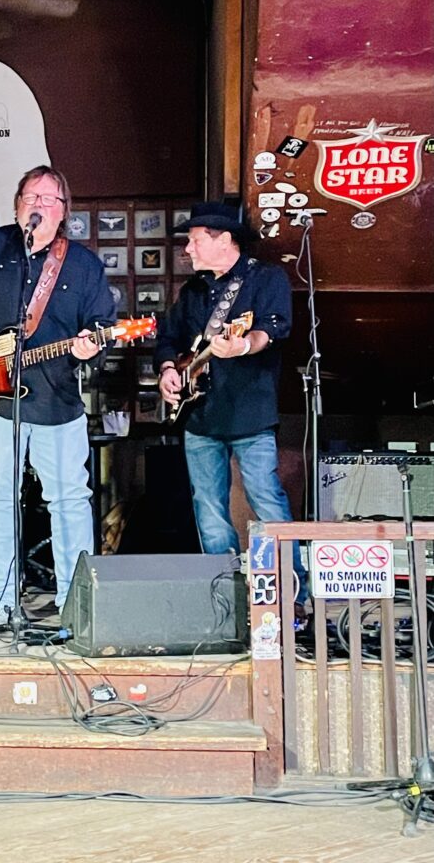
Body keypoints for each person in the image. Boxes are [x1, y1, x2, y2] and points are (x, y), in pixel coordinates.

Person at [0, 166, 116, 623]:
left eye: (50, 199)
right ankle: (1, 605)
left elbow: (102, 327)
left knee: (70, 500)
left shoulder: (83, 265)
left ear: (64, 212)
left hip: (57, 400)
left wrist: (91, 346)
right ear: (17, 206)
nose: (39, 205)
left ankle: (76, 603)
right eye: (31, 197)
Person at [155, 201, 308, 604]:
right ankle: (225, 598)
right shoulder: (193, 291)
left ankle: (293, 594)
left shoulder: (265, 279)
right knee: (208, 509)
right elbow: (168, 338)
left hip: (250, 414)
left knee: (266, 499)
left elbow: (272, 329)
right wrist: (168, 369)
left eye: (195, 240)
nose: (188, 249)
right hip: (199, 416)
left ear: (224, 240)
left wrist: (242, 345)